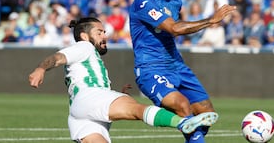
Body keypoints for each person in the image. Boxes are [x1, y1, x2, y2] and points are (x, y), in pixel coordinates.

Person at [28, 17, 219, 143]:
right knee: (136, 109)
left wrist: (117, 93)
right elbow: (58, 57)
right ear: (85, 36)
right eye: (100, 32)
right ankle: (183, 123)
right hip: (91, 98)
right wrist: (41, 68)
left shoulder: (88, 59)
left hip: (80, 113)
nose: (105, 35)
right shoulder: (84, 47)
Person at [129, 0, 236, 143]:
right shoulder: (144, 2)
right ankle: (162, 115)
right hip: (150, 68)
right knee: (183, 106)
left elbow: (175, 24)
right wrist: (211, 20)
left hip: (177, 65)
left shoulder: (175, 1)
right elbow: (174, 29)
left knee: (206, 113)